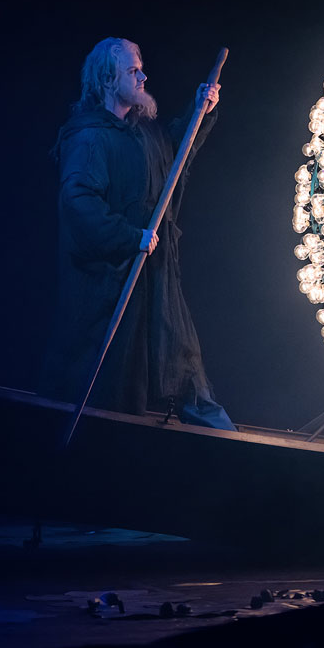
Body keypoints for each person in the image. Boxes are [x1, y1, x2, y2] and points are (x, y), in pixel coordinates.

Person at [40, 37, 235, 430]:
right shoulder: (89, 136)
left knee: (181, 359)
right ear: (109, 80)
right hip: (108, 282)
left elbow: (174, 159)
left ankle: (222, 443)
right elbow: (78, 202)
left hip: (156, 275)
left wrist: (201, 111)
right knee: (109, 380)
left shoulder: (144, 132)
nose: (143, 76)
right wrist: (129, 236)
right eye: (133, 70)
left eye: (140, 66)